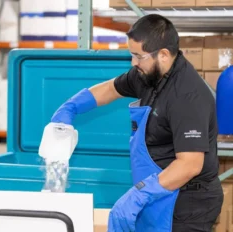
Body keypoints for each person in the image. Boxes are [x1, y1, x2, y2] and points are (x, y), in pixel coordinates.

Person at [49, 14, 224, 232]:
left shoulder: (187, 96)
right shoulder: (148, 74)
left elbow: (189, 165)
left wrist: (140, 193)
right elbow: (111, 88)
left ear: (163, 55)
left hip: (187, 202)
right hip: (157, 191)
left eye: (138, 56)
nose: (133, 62)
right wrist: (71, 107)